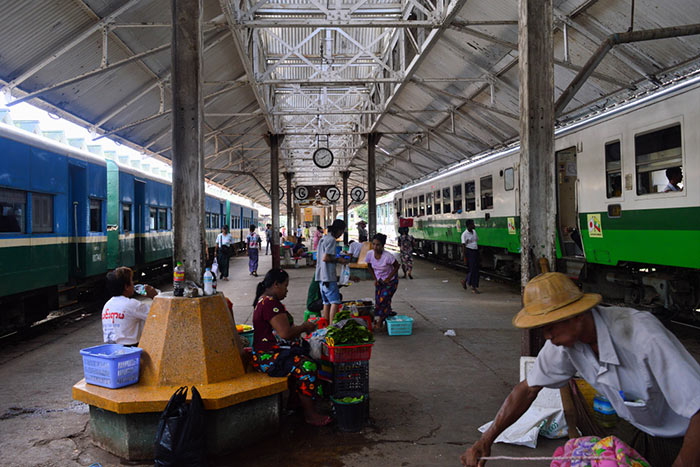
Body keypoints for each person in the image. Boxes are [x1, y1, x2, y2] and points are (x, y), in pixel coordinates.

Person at [460, 272, 700, 467]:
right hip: (647, 430)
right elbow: (527, 389)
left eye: (550, 326)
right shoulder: (564, 344)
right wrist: (486, 439)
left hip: (689, 437)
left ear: (578, 315)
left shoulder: (643, 336)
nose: (547, 335)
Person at [251, 269, 331, 427]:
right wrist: (304, 327)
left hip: (273, 352)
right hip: (268, 357)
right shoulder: (270, 304)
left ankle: (297, 404)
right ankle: (310, 414)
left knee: (307, 356)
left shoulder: (265, 300)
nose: (287, 290)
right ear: (276, 284)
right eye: (285, 286)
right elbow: (285, 333)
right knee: (307, 367)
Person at [102, 267, 158, 345]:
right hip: (130, 350)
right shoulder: (132, 304)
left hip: (111, 347)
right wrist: (155, 296)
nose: (133, 284)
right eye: (131, 281)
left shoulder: (107, 305)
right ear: (126, 287)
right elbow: (159, 316)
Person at [315, 219, 349, 323]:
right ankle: (332, 325)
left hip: (321, 277)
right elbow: (326, 258)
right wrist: (339, 260)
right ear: (339, 230)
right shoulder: (331, 240)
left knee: (326, 302)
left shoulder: (324, 238)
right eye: (342, 232)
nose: (341, 235)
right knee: (335, 302)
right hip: (328, 276)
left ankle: (326, 326)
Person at [365, 233, 400, 332]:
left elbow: (397, 266)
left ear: (383, 245)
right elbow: (369, 266)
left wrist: (389, 278)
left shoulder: (388, 256)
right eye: (374, 244)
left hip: (391, 282)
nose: (375, 247)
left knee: (382, 300)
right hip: (379, 281)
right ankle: (387, 315)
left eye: (378, 245)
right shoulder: (370, 254)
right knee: (379, 301)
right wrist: (375, 279)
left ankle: (380, 321)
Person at [460, 219, 480, 294]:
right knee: (472, 269)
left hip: (475, 251)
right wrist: (464, 257)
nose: (474, 225)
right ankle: (473, 287)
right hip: (469, 252)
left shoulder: (474, 232)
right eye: (472, 224)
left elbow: (476, 241)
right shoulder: (464, 234)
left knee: (476, 269)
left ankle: (465, 281)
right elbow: (463, 246)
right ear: (468, 226)